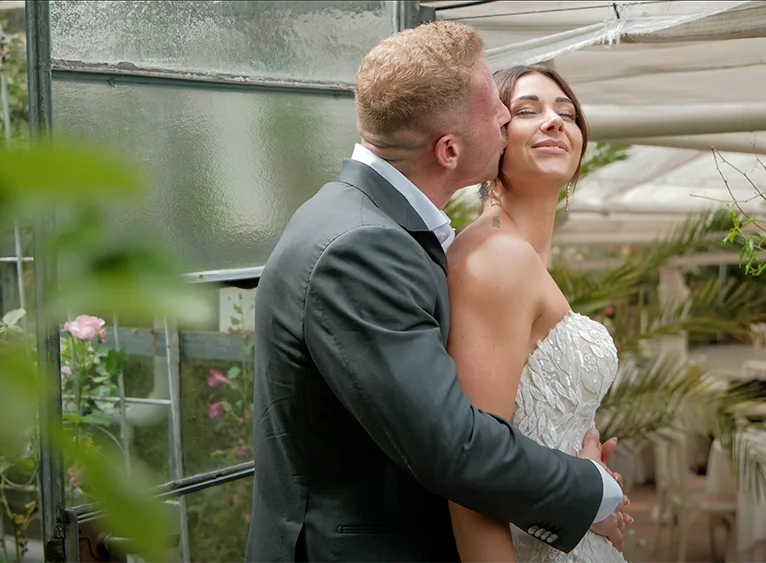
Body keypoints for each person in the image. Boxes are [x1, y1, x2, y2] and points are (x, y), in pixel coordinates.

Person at [244, 21, 628, 563]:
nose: (505, 118)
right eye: (498, 111)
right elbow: (452, 446)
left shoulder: (376, 226)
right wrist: (588, 490)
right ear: (449, 150)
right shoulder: (361, 247)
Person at [445, 65, 633, 563]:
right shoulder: (496, 260)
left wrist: (591, 490)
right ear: (491, 136)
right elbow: (472, 476)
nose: (554, 121)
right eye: (527, 110)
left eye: (567, 114)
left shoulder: (523, 258)